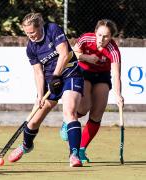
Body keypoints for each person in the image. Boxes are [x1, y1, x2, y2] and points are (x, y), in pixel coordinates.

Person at [7, 12, 84, 167]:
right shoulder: (30, 48)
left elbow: (63, 54)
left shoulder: (52, 29)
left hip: (70, 73)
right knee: (33, 121)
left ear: (40, 27)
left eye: (33, 32)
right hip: (50, 80)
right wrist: (40, 95)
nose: (30, 36)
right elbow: (38, 72)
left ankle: (74, 154)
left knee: (69, 111)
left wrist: (56, 76)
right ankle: (26, 146)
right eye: (27, 33)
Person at [60, 19, 124, 163]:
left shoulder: (113, 50)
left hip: (102, 76)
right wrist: (86, 57)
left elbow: (116, 74)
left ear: (111, 37)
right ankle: (68, 120)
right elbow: (72, 54)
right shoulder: (86, 38)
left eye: (106, 36)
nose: (102, 39)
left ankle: (81, 149)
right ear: (95, 32)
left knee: (97, 113)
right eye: (99, 34)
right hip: (84, 72)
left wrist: (118, 95)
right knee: (84, 106)